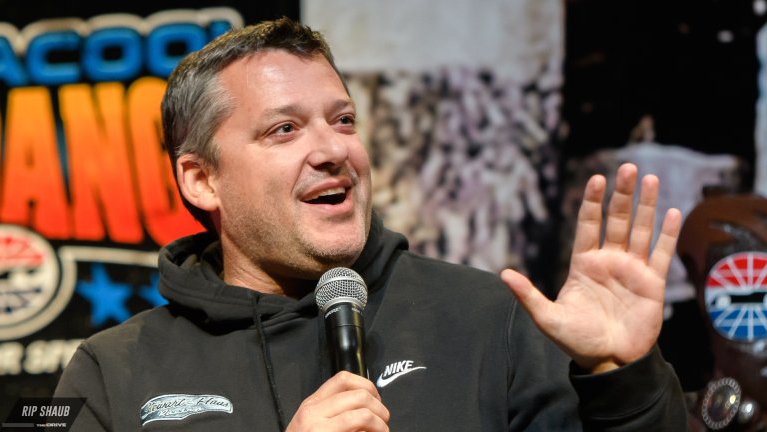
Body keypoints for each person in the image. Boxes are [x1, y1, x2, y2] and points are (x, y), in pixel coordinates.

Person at [55, 17, 688, 431]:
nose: (334, 150)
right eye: (284, 129)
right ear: (201, 179)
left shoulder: (491, 318)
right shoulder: (106, 371)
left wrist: (623, 378)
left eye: (343, 120)